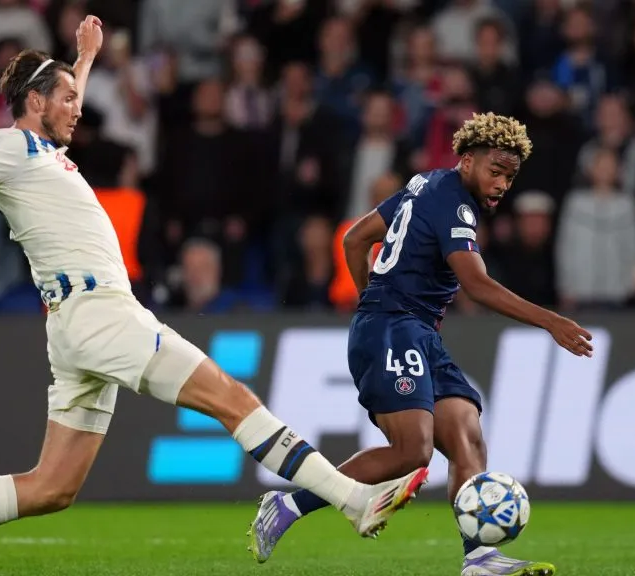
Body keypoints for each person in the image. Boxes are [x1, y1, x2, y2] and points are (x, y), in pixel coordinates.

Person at [0, 16, 428, 576]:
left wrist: (84, 58)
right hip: (98, 313)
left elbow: (61, 100)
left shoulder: (43, 152)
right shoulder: (6, 146)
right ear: (35, 104)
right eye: (65, 99)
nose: (77, 109)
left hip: (75, 321)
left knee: (52, 488)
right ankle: (352, 500)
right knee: (230, 397)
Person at [248, 113, 594, 576]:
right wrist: (551, 322)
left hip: (412, 329)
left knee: (467, 433)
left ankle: (479, 559)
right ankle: (290, 505)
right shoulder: (454, 204)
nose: (501, 184)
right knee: (413, 451)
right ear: (468, 161)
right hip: (393, 327)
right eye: (495, 170)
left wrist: (369, 294)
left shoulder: (425, 183)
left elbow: (355, 240)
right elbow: (477, 286)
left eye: (510, 176)